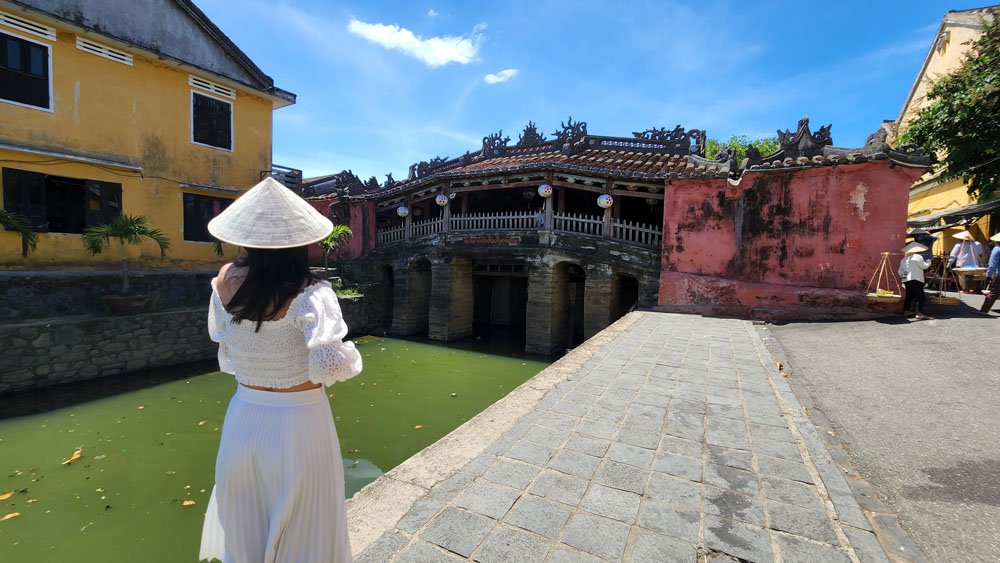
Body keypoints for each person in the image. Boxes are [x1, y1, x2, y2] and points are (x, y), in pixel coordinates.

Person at [199, 177, 363, 563]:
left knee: (245, 529)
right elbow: (329, 364)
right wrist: (355, 357)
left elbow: (226, 344)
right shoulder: (311, 291)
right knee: (305, 530)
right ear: (299, 240)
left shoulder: (224, 280)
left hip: (243, 418)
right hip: (298, 424)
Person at [899, 241, 933, 320]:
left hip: (906, 280)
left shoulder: (904, 259)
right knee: (920, 297)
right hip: (916, 278)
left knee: (909, 296)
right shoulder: (917, 257)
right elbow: (924, 266)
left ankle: (906, 310)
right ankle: (919, 313)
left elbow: (900, 271)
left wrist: (903, 276)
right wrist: (928, 261)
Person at [981, 233, 1000, 314]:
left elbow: (992, 265)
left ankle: (984, 310)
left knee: (993, 292)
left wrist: (988, 276)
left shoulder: (997, 249)